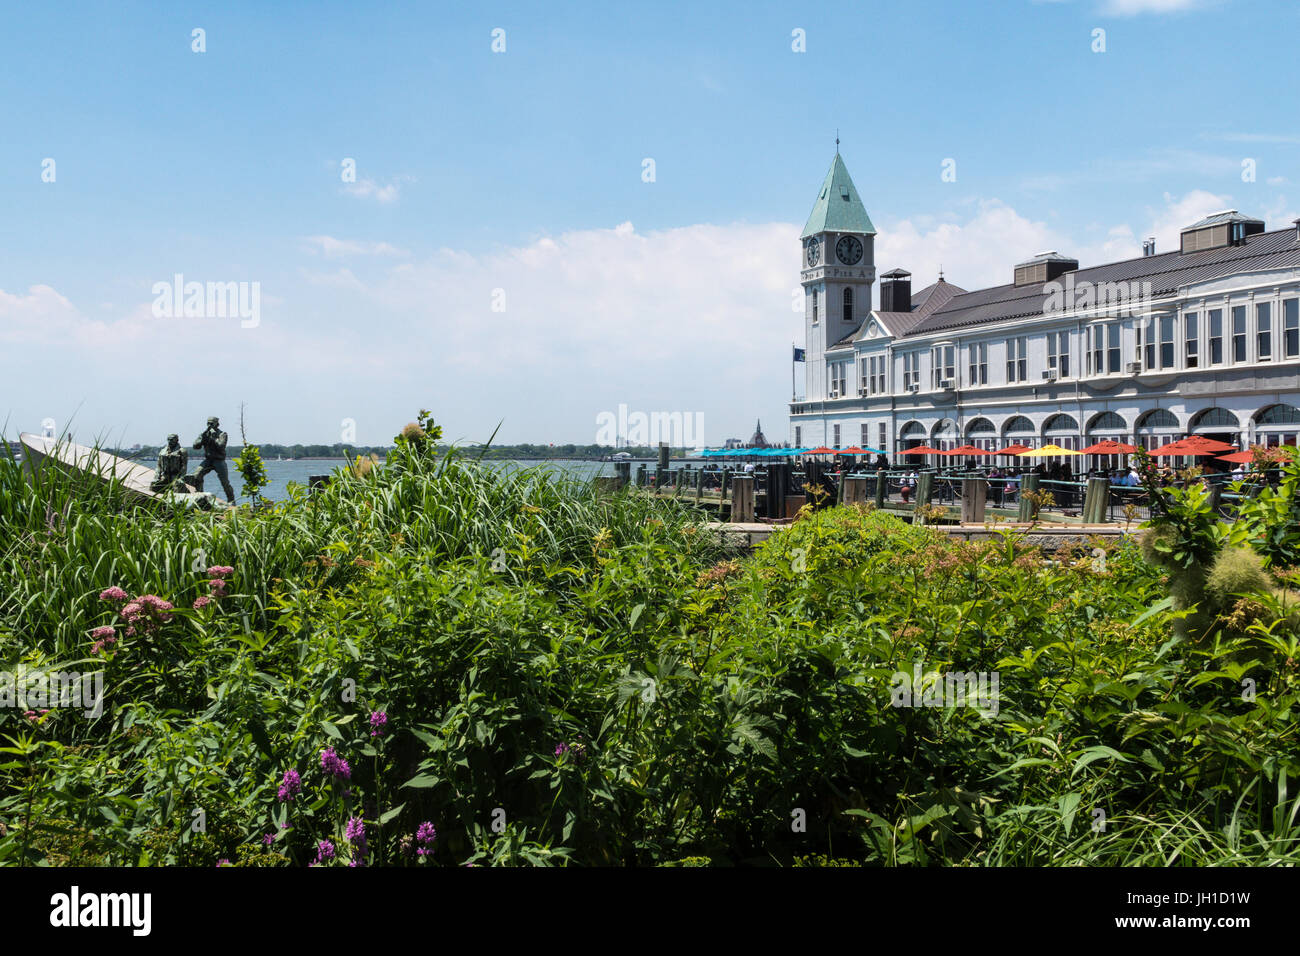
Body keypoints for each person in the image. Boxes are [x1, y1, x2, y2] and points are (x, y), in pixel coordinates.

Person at [192, 416, 236, 504]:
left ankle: (231, 500)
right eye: (208, 423)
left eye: (212, 423)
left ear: (217, 424)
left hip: (219, 461)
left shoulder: (222, 434)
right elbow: (195, 446)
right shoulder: (204, 434)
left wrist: (213, 437)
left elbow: (221, 446)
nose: (209, 425)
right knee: (196, 475)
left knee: (225, 482)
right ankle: (200, 496)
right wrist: (203, 438)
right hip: (208, 460)